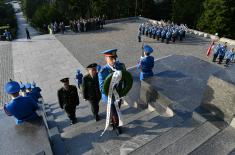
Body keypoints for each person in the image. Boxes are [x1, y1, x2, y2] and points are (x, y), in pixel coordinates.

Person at [98, 49, 126, 134]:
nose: (114, 60)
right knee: (115, 113)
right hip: (110, 97)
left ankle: (112, 120)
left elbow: (125, 78)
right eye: (111, 59)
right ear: (106, 59)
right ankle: (117, 126)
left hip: (119, 94)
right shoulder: (103, 72)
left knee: (118, 110)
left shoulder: (120, 66)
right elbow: (102, 88)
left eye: (115, 58)